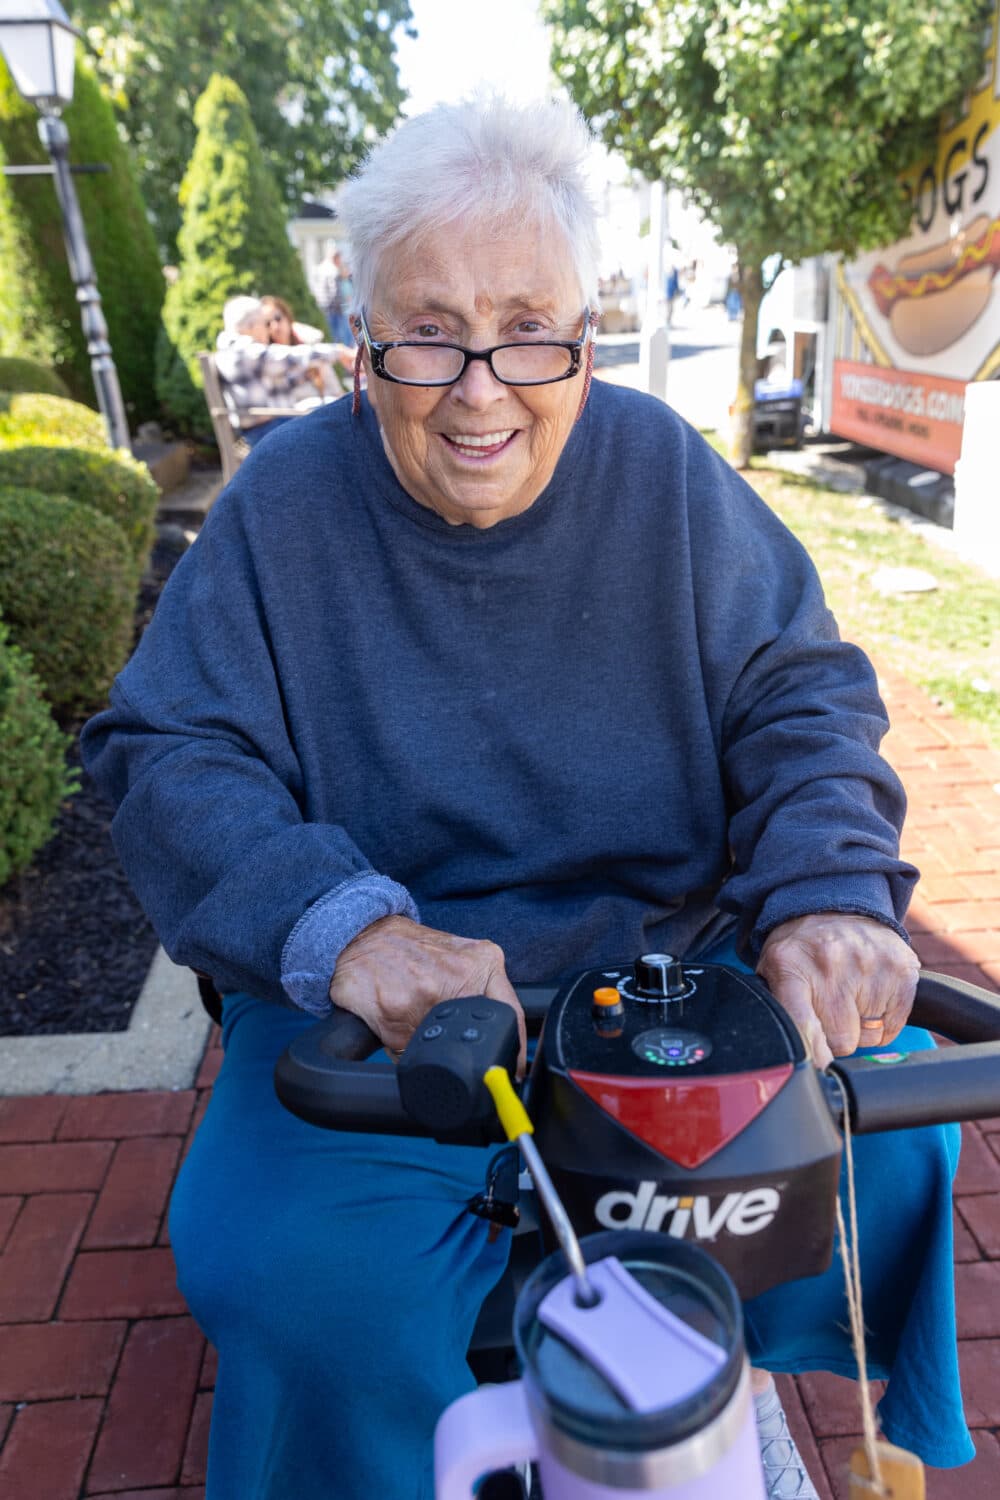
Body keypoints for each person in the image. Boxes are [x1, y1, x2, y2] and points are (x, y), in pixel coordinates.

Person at [81, 97, 972, 1500]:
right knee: (297, 1271)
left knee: (889, 1156)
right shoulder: (286, 506)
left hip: (661, 978)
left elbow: (799, 694)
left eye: (528, 329)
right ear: (363, 336)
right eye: (428, 330)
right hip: (376, 1012)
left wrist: (827, 893)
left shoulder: (665, 472)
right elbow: (166, 752)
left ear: (586, 330)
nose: (481, 387)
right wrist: (349, 931)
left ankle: (741, 1415)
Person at [213, 294, 347, 448]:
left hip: (274, 424)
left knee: (336, 409)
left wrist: (307, 373)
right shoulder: (240, 351)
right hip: (265, 432)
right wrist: (337, 352)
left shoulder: (237, 349)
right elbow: (284, 357)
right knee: (335, 418)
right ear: (251, 326)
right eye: (265, 324)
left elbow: (280, 385)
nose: (269, 330)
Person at [313, 244, 354, 343]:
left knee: (333, 335)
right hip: (334, 309)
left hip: (325, 308)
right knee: (339, 337)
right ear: (335, 257)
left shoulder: (321, 268)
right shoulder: (333, 271)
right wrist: (341, 306)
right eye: (339, 257)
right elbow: (334, 292)